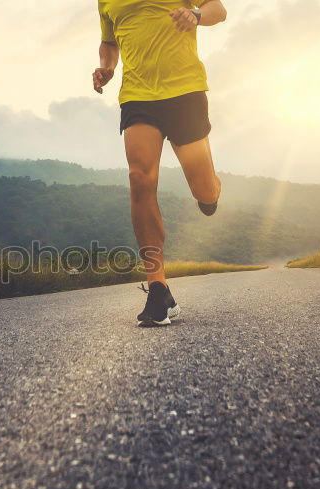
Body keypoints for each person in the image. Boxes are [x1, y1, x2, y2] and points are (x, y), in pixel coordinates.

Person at [93, 0, 227, 326]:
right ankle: (157, 286)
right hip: (138, 95)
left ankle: (210, 193)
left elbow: (218, 10)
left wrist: (195, 15)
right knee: (139, 177)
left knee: (204, 188)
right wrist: (107, 66)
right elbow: (110, 41)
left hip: (185, 90)